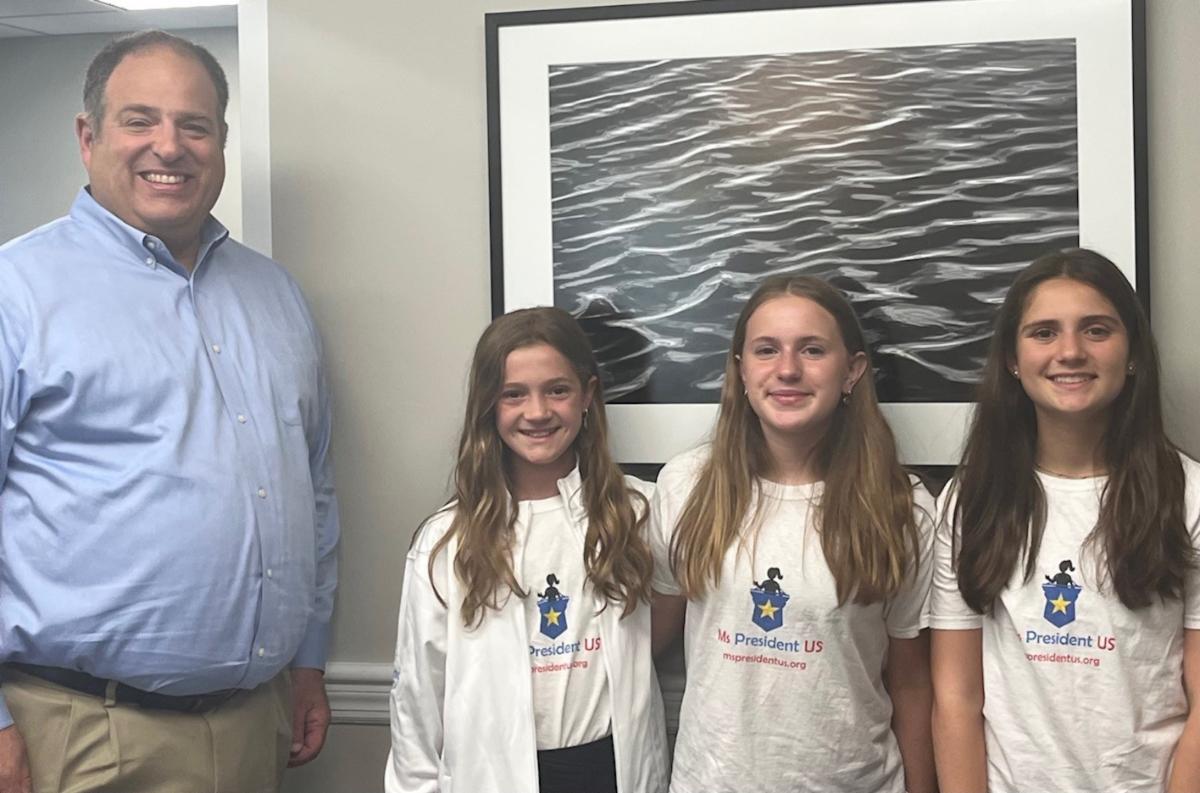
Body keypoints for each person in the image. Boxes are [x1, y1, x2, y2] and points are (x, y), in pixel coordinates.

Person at [0, 30, 339, 793]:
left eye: (195, 125)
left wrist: (309, 661)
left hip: (254, 725)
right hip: (79, 733)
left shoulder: (275, 295)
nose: (170, 146)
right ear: (88, 137)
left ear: (221, 141)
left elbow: (314, 492)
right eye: (140, 120)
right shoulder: (15, 293)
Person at [650, 275, 936, 793]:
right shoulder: (686, 486)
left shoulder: (902, 508)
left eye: (812, 350)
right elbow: (645, 639)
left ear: (852, 371)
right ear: (741, 370)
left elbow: (912, 682)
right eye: (766, 350)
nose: (787, 369)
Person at [930, 248, 1200, 792]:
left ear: (1132, 352)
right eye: (1044, 333)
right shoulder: (972, 497)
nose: (1070, 352)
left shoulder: (1189, 496)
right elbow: (956, 697)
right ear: (1013, 359)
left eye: (1096, 330)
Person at [385, 307, 668, 793]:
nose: (537, 412)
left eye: (557, 390)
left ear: (587, 396)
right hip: (494, 775)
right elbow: (417, 696)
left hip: (612, 768)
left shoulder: (639, 513)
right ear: (488, 405)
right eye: (513, 394)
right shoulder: (446, 541)